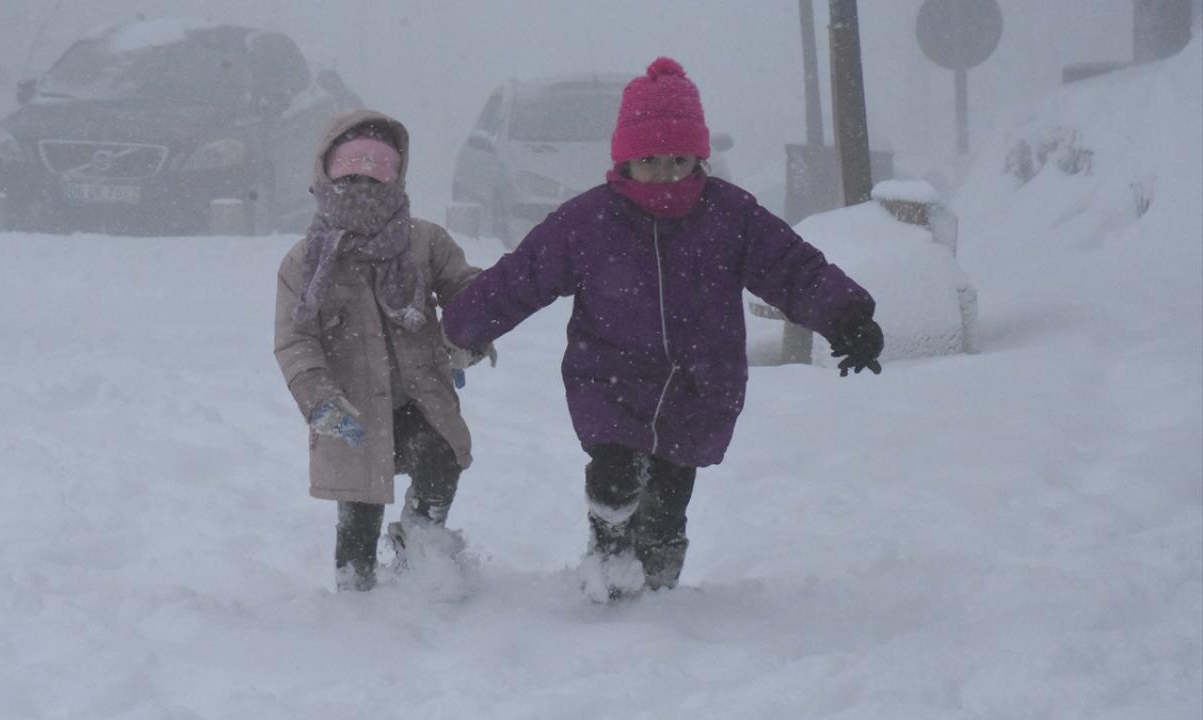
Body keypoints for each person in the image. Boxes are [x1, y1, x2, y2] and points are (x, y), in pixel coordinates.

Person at [440, 58, 883, 603]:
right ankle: (608, 554)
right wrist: (462, 325)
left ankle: (658, 592)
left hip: (699, 387)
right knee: (614, 475)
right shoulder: (590, 222)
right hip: (610, 378)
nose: (667, 175)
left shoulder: (730, 217)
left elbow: (793, 268)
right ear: (625, 161)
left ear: (700, 159)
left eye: (679, 161)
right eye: (650, 161)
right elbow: (522, 276)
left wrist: (846, 316)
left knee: (669, 502)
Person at [274, 109, 490, 592]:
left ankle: (422, 548)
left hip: (419, 398)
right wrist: (318, 396)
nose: (361, 190)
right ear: (326, 178)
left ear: (396, 180)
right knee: (359, 508)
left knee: (441, 458)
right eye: (348, 179)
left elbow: (465, 290)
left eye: (374, 179)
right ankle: (357, 599)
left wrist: (468, 332)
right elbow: (295, 339)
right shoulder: (306, 262)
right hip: (350, 410)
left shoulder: (424, 242)